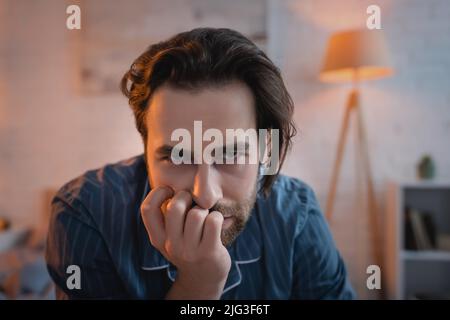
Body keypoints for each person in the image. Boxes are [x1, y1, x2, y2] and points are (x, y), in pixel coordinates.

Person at [46, 27, 355, 299]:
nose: (206, 195)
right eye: (178, 156)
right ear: (145, 151)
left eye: (231, 154)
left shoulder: (296, 213)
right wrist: (200, 282)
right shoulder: (85, 211)